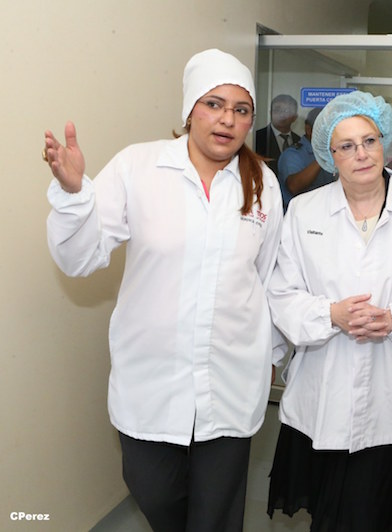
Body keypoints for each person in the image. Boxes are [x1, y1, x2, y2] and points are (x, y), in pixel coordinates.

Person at [43, 49, 284, 532]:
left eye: (241, 110)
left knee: (216, 517)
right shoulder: (139, 166)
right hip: (151, 381)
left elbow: (267, 278)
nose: (227, 119)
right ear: (190, 110)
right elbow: (79, 258)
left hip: (231, 380)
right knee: (154, 493)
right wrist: (74, 196)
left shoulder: (263, 184)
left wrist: (274, 355)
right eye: (214, 104)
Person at [266, 91, 392, 532]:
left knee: (370, 514)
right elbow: (282, 293)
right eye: (346, 146)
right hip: (319, 394)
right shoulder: (305, 211)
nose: (362, 154)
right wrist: (331, 314)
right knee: (325, 516)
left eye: (369, 141)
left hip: (390, 394)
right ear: (328, 155)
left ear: (386, 143)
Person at [277, 107, 335, 210]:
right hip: (299, 215)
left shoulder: (335, 151)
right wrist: (322, 156)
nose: (329, 134)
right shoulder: (293, 154)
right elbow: (294, 186)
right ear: (309, 130)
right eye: (325, 130)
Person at [255, 94, 301, 175]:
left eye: (286, 111)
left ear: (295, 117)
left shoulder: (299, 141)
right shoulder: (257, 138)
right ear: (270, 113)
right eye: (277, 110)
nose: (282, 115)